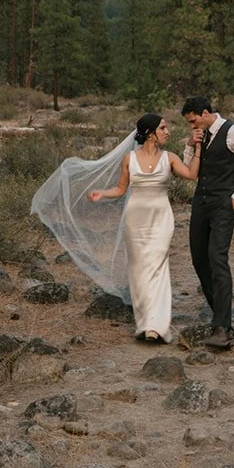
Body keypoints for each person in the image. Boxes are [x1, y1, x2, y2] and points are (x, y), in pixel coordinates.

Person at [46, 114, 198, 342]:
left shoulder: (170, 157)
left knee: (157, 265)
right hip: (135, 219)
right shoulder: (129, 159)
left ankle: (157, 326)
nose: (168, 132)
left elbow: (191, 175)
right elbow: (120, 189)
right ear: (149, 132)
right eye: (163, 127)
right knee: (138, 270)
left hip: (161, 219)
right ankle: (145, 323)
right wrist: (102, 193)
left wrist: (197, 148)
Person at [182, 95, 234, 349]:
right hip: (200, 204)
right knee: (198, 258)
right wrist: (189, 145)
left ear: (205, 113)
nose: (193, 125)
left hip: (224, 205)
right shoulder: (198, 136)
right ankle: (221, 315)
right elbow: (189, 173)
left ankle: (222, 328)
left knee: (217, 257)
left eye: (194, 120)